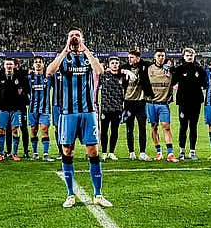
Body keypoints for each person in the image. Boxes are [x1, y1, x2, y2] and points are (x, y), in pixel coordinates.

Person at [46, 27, 112, 208]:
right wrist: (65, 50)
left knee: (93, 151)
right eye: (71, 36)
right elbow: (49, 72)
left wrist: (86, 49)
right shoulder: (64, 58)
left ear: (82, 38)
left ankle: (98, 194)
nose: (74, 38)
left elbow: (99, 71)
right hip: (68, 113)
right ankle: (70, 195)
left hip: (88, 112)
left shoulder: (88, 58)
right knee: (67, 151)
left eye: (77, 35)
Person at [170, 48, 207, 160]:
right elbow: (172, 82)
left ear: (194, 56)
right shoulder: (179, 69)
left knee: (193, 127)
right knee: (183, 127)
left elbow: (204, 84)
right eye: (187, 55)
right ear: (184, 56)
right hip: (183, 102)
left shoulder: (199, 70)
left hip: (196, 102)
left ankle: (192, 152)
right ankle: (182, 151)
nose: (189, 57)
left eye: (191, 55)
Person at [0, 57, 29, 161]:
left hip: (16, 108)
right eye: (7, 64)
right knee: (1, 130)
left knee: (15, 130)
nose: (9, 66)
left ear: (14, 65)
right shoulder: (0, 76)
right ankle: (1, 153)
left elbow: (26, 90)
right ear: (4, 65)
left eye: (10, 64)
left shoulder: (20, 77)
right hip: (2, 108)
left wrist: (23, 95)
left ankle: (15, 153)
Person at [145, 49, 179, 162]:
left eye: (163, 56)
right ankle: (158, 152)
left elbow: (178, 74)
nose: (161, 58)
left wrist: (172, 69)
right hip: (151, 104)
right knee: (154, 127)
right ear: (154, 57)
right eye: (159, 55)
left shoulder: (170, 71)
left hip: (163, 104)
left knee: (166, 127)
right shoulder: (149, 69)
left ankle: (170, 153)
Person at [98, 56, 133, 161]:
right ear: (109, 64)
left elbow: (130, 81)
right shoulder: (103, 75)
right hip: (105, 108)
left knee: (114, 131)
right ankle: (104, 152)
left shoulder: (122, 76)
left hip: (117, 108)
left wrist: (127, 72)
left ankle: (111, 152)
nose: (114, 65)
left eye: (116, 63)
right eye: (112, 63)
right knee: (104, 131)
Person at [121, 49, 153, 160]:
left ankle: (142, 152)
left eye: (132, 57)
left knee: (142, 127)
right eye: (128, 57)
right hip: (128, 102)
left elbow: (151, 64)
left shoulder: (144, 66)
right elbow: (116, 69)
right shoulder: (124, 67)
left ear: (138, 58)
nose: (129, 59)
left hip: (140, 103)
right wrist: (126, 72)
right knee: (129, 128)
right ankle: (131, 152)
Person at [27, 57, 54, 162]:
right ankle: (35, 153)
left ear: (43, 64)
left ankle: (46, 154)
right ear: (33, 65)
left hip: (45, 109)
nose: (38, 64)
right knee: (33, 130)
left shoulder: (48, 77)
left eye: (40, 62)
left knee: (44, 130)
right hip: (32, 109)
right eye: (36, 62)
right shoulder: (29, 77)